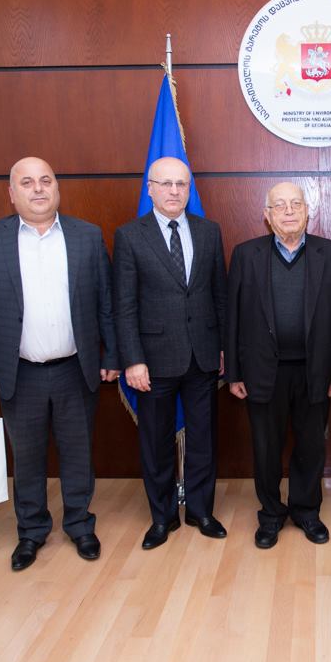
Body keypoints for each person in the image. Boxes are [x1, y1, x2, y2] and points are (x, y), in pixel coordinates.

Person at [0, 156, 118, 570]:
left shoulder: (86, 235)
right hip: (19, 371)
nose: (38, 189)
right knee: (28, 457)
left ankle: (80, 524)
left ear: (57, 188)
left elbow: (105, 301)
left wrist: (112, 354)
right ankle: (31, 531)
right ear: (11, 193)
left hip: (76, 367)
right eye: (27, 182)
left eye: (45, 180)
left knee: (78, 453)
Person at [226, 182, 331, 548]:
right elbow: (232, 317)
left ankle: (306, 511)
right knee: (265, 449)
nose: (288, 211)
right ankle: (271, 515)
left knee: (311, 447)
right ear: (266, 215)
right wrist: (233, 373)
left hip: (314, 371)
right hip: (261, 372)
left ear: (307, 211)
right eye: (280, 205)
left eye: (296, 204)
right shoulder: (246, 255)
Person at [113, 156, 228, 550]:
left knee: (203, 440)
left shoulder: (209, 231)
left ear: (189, 188)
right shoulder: (130, 236)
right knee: (156, 443)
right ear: (150, 189)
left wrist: (223, 347)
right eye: (165, 184)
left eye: (181, 184)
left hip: (203, 356)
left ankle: (200, 510)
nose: (174, 191)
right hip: (153, 360)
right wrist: (132, 359)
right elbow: (124, 304)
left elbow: (219, 295)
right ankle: (163, 518)